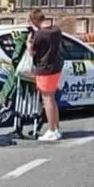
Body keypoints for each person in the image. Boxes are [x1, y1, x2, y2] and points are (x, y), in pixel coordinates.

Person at [27, 9, 64, 141]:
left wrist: (28, 43)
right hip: (56, 67)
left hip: (44, 69)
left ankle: (51, 130)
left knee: (47, 100)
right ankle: (57, 128)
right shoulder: (56, 30)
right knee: (52, 99)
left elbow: (31, 52)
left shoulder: (39, 34)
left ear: (35, 21)